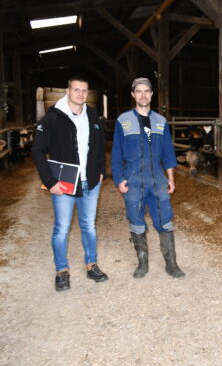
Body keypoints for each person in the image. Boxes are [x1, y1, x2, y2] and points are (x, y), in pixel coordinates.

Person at [32, 76, 108, 292]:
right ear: (68, 91)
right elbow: (37, 151)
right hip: (63, 184)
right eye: (77, 90)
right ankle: (61, 271)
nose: (81, 94)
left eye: (84, 90)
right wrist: (50, 181)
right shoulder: (52, 119)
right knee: (62, 228)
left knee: (89, 226)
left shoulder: (92, 115)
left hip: (90, 182)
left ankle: (91, 264)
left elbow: (100, 145)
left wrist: (101, 172)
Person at [111, 77, 184, 279]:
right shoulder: (123, 121)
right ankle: (142, 263)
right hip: (133, 179)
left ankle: (171, 264)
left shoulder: (160, 122)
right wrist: (119, 179)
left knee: (165, 220)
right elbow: (116, 153)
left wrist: (171, 178)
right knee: (136, 220)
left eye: (147, 91)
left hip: (157, 180)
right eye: (139, 91)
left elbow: (168, 153)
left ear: (151, 94)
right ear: (133, 95)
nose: (143, 95)